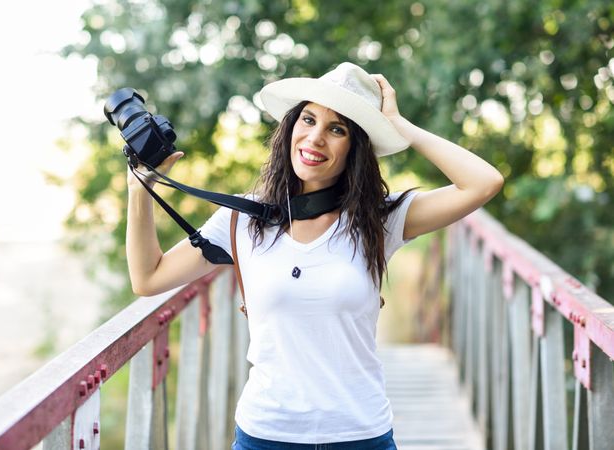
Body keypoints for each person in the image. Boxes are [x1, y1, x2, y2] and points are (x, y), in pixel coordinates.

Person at [125, 62, 504, 449]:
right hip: (265, 435)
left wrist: (398, 126)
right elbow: (148, 278)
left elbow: (484, 183)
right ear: (291, 128)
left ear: (356, 148)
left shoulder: (380, 218)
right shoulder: (243, 219)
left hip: (360, 435)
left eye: (336, 129)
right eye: (308, 120)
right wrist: (140, 187)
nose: (315, 138)